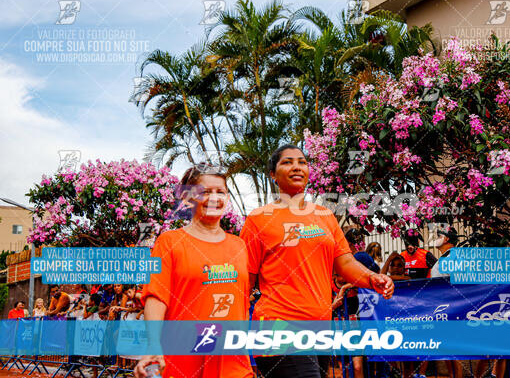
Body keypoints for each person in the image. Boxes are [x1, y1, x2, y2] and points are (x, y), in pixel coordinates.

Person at [240, 144, 394, 378]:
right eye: (287, 162)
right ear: (272, 174)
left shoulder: (324, 216)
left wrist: (372, 278)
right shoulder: (258, 220)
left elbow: (345, 263)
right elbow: (244, 283)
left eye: (302, 162)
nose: (296, 167)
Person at [135, 163, 253, 378]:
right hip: (183, 362)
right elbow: (156, 297)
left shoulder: (239, 246)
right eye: (205, 192)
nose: (215, 198)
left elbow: (242, 303)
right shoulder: (170, 242)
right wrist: (152, 345)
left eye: (221, 192)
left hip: (232, 364)